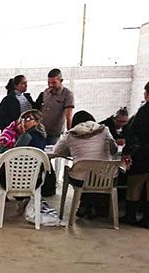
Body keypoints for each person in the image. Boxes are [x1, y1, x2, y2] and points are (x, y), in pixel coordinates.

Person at [53, 110, 118, 218]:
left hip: (81, 179)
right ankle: (95, 206)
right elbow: (114, 149)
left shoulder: (70, 135)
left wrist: (74, 150)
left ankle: (85, 205)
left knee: (80, 173)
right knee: (96, 175)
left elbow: (57, 152)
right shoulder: (104, 130)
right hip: (107, 178)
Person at [122, 81, 149, 228]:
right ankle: (146, 219)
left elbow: (134, 134)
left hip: (143, 155)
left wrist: (127, 152)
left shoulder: (144, 111)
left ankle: (130, 216)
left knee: (135, 186)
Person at [36, 68, 75, 145]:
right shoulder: (46, 92)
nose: (51, 85)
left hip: (54, 133)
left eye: (54, 83)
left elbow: (69, 116)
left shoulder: (67, 94)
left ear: (61, 81)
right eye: (48, 82)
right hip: (41, 130)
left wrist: (69, 134)